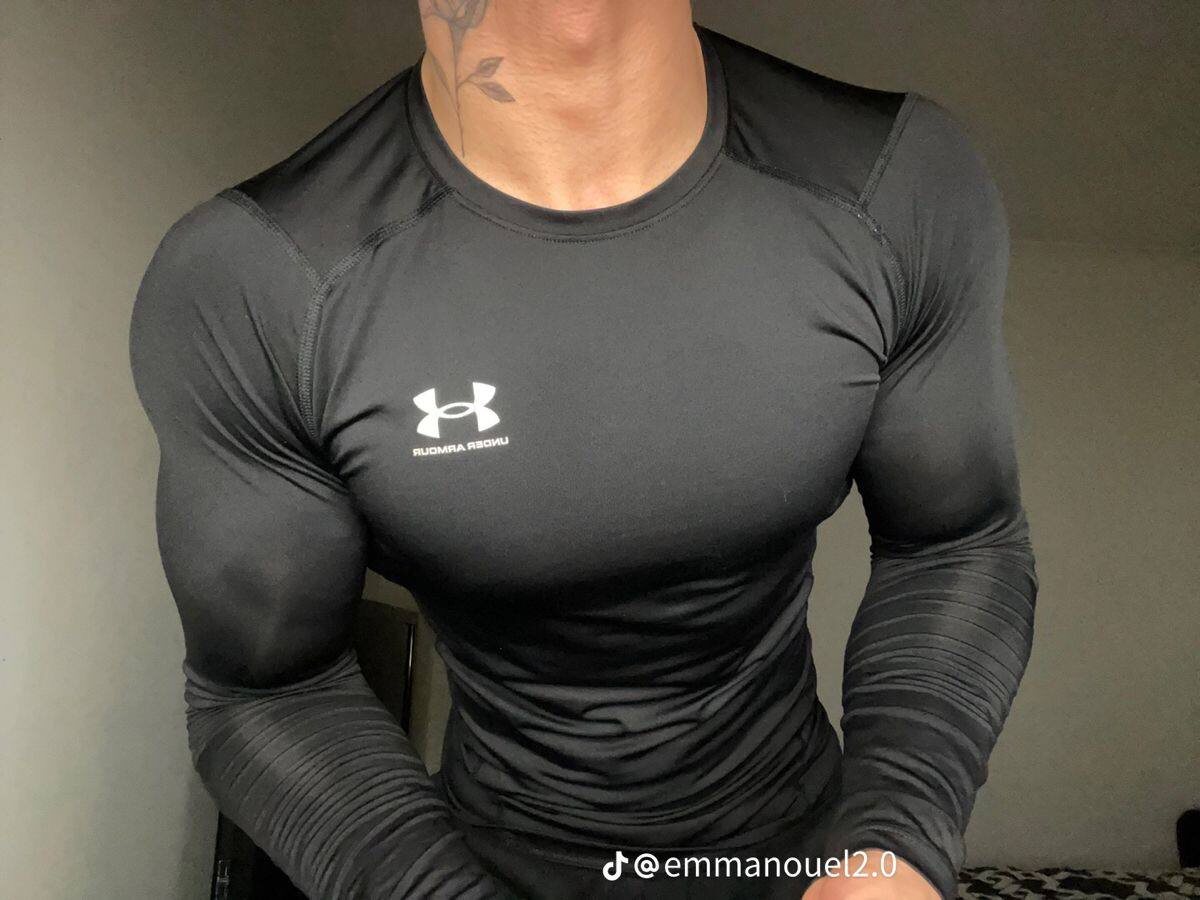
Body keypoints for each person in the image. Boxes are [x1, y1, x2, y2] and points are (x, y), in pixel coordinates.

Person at [128, 2, 1039, 898]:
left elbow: (957, 541)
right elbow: (266, 690)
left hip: (808, 856)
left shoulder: (891, 182)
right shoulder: (256, 282)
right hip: (486, 866)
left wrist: (893, 851)